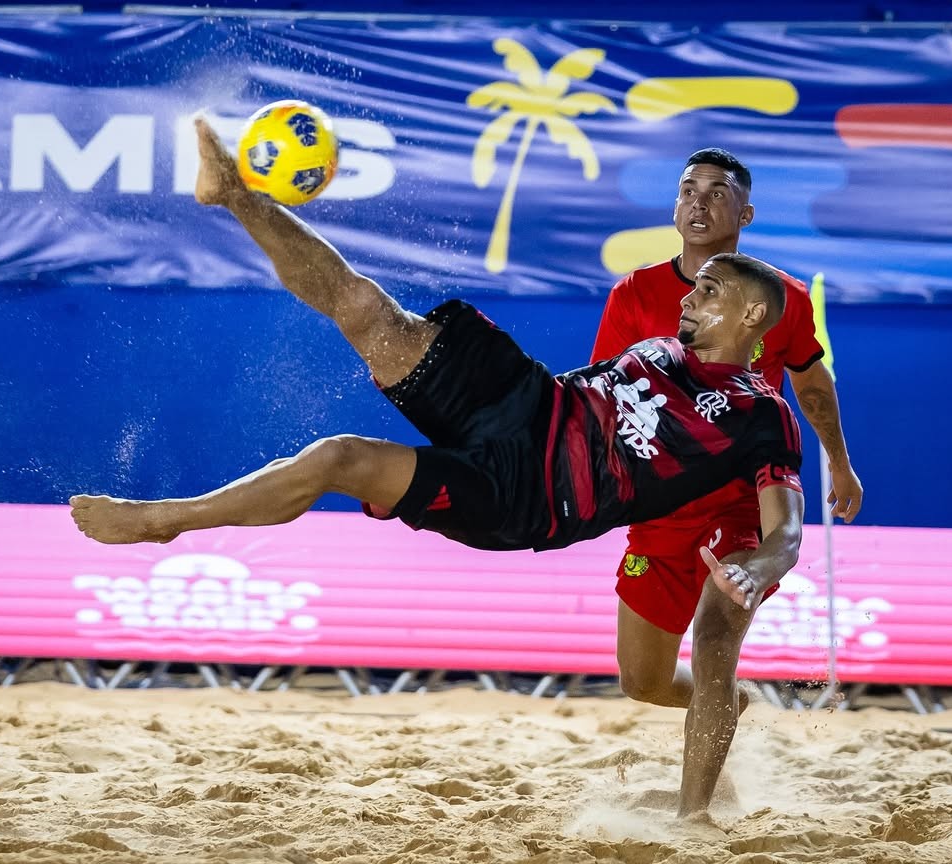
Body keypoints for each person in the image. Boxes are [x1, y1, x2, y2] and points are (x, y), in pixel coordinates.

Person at [71, 122, 805, 817]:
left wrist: (762, 558)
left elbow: (789, 529)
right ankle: (236, 193)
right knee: (366, 310)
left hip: (531, 495)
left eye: (709, 292)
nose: (690, 293)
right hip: (531, 406)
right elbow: (593, 397)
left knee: (339, 458)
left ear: (750, 320)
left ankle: (166, 521)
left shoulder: (760, 414)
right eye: (694, 284)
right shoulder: (658, 348)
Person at [591, 148, 861, 815]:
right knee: (643, 681)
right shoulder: (635, 294)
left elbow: (811, 382)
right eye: (687, 189)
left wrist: (841, 461)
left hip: (747, 501)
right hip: (661, 505)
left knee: (715, 643)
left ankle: (694, 815)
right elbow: (600, 398)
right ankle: (728, 707)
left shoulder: (780, 299)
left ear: (744, 213)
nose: (698, 201)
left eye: (716, 192)